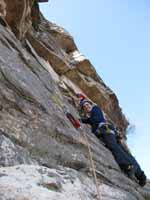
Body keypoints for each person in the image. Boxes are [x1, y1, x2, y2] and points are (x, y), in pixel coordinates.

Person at [79, 99, 147, 187]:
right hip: (110, 131)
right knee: (124, 152)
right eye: (84, 107)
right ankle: (141, 175)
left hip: (105, 130)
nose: (86, 107)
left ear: (91, 105)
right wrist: (81, 120)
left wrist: (81, 98)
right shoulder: (92, 116)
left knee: (113, 147)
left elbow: (92, 120)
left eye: (87, 105)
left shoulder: (96, 109)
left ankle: (128, 166)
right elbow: (87, 120)